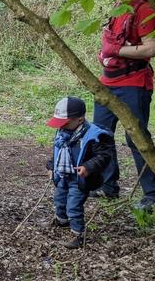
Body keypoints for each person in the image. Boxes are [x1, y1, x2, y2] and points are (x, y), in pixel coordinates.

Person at [91, 0, 155, 212]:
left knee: (136, 138)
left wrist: (115, 50)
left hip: (134, 83)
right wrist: (104, 53)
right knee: (101, 134)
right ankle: (108, 186)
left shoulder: (145, 8)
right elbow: (112, 40)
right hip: (107, 81)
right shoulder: (119, 7)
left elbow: (151, 48)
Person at [46, 97, 114, 249]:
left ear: (80, 120)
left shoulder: (94, 136)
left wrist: (88, 167)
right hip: (63, 175)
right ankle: (61, 220)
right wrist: (51, 167)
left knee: (74, 206)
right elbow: (57, 153)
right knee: (59, 199)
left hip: (79, 179)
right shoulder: (63, 133)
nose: (61, 126)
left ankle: (78, 234)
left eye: (65, 123)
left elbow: (103, 156)